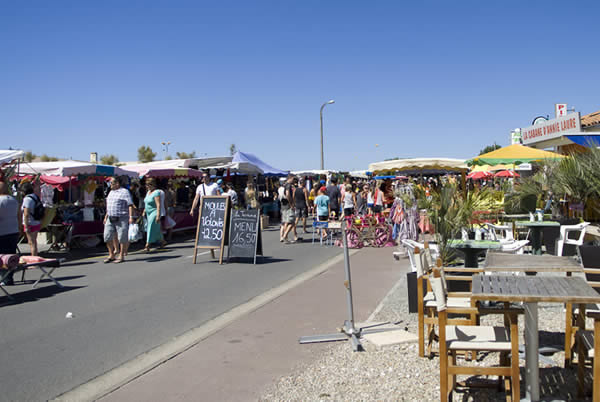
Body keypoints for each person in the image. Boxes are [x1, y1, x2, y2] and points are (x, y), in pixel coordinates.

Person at [103, 176, 134, 263]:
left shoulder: (124, 192)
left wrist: (131, 217)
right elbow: (109, 206)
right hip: (110, 217)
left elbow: (130, 205)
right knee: (107, 236)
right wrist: (106, 216)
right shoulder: (111, 192)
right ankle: (111, 254)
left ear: (117, 183)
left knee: (122, 237)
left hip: (121, 217)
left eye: (111, 183)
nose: (110, 185)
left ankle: (121, 255)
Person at [0, 180, 19, 285]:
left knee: (3, 258)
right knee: (11, 256)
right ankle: (9, 277)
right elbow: (19, 215)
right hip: (13, 230)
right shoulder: (13, 200)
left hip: (2, 232)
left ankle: (4, 278)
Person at [143, 178, 166, 252]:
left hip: (154, 212)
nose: (147, 186)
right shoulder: (148, 192)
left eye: (148, 185)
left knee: (150, 227)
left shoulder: (156, 192)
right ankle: (162, 240)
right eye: (146, 185)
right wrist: (144, 211)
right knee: (156, 228)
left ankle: (147, 244)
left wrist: (158, 215)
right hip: (148, 212)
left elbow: (158, 204)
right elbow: (146, 202)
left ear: (152, 185)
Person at [21, 181, 42, 257]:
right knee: (34, 242)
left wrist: (26, 226)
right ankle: (35, 256)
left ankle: (34, 259)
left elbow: (26, 214)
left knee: (31, 242)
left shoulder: (27, 199)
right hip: (36, 222)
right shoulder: (35, 196)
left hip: (30, 223)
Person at [280, 174, 297, 243]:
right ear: (290, 178)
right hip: (288, 206)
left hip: (283, 206)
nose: (293, 180)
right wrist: (291, 204)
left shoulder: (283, 185)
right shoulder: (288, 185)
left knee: (285, 222)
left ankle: (284, 237)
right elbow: (287, 194)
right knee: (292, 222)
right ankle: (285, 235)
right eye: (293, 179)